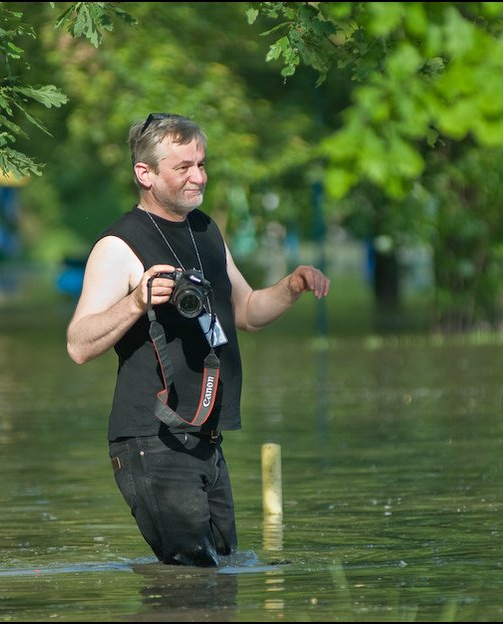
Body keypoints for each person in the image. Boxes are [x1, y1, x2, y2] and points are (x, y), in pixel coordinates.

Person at [66, 113, 330, 567]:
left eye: (202, 164)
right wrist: (135, 302)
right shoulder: (118, 244)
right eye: (183, 167)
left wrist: (292, 285)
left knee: (218, 579)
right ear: (144, 173)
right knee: (194, 581)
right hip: (153, 439)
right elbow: (78, 344)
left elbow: (246, 312)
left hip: (205, 437)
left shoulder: (204, 229)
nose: (198, 177)